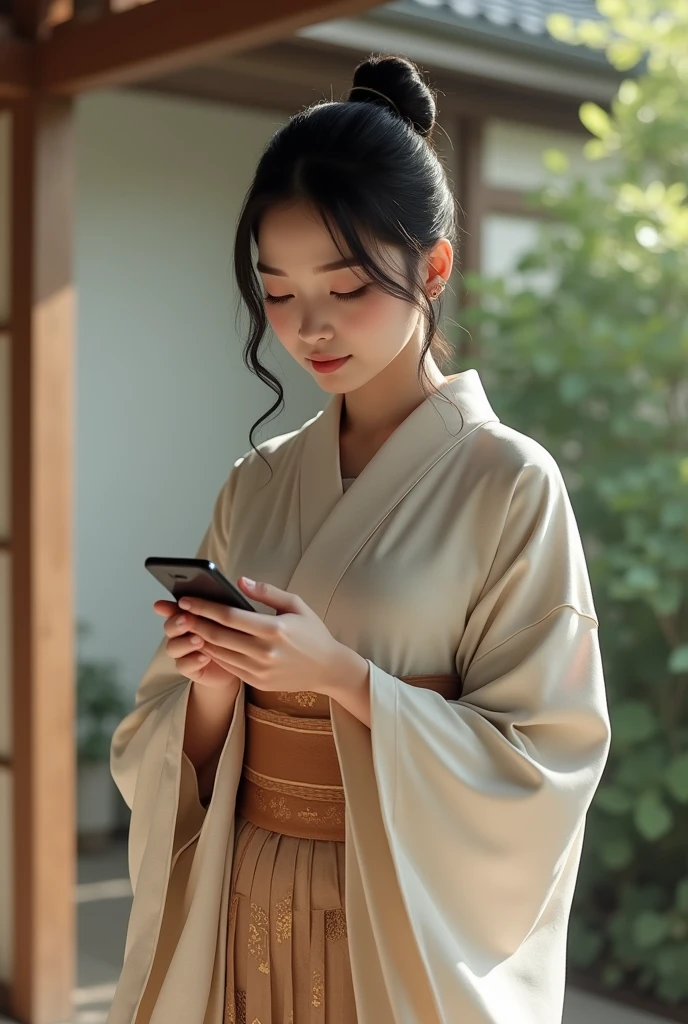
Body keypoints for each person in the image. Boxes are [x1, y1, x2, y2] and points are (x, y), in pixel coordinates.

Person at [108, 53, 611, 1024]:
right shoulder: (255, 483)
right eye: (280, 292)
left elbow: (545, 760)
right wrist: (213, 680)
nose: (309, 327)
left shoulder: (508, 484)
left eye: (345, 287)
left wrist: (342, 676)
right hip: (241, 895)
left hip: (392, 922)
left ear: (432, 266)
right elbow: (164, 750)